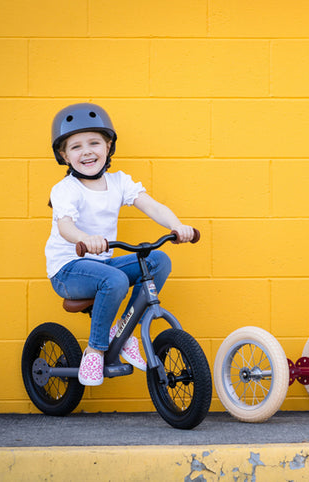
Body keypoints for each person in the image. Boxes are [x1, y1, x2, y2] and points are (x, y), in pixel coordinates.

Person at [45, 103, 195, 386]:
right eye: (75, 147)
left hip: (101, 264)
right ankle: (96, 348)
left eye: (94, 142)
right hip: (68, 269)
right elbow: (65, 225)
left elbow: (152, 206)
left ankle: (124, 334)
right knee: (113, 279)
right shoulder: (65, 189)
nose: (87, 151)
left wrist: (176, 225)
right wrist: (84, 239)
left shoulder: (119, 182)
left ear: (108, 146)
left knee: (158, 261)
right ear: (64, 155)